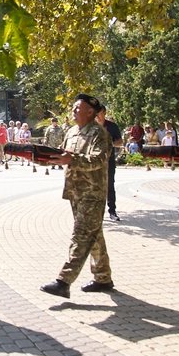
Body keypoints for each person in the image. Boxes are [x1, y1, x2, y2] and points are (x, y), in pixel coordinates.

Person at [40, 93, 113, 299]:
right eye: (73, 107)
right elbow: (63, 156)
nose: (72, 110)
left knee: (81, 235)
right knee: (94, 235)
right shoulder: (71, 132)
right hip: (75, 191)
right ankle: (103, 278)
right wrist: (47, 159)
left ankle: (63, 281)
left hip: (93, 193)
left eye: (77, 107)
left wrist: (72, 160)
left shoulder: (100, 134)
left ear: (90, 112)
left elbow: (98, 160)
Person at [96, 105, 123, 221]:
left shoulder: (112, 126)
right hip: (93, 162)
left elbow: (120, 141)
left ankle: (112, 211)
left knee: (109, 186)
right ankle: (96, 213)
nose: (97, 116)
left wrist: (110, 143)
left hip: (108, 161)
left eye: (99, 113)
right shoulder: (91, 127)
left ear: (104, 113)